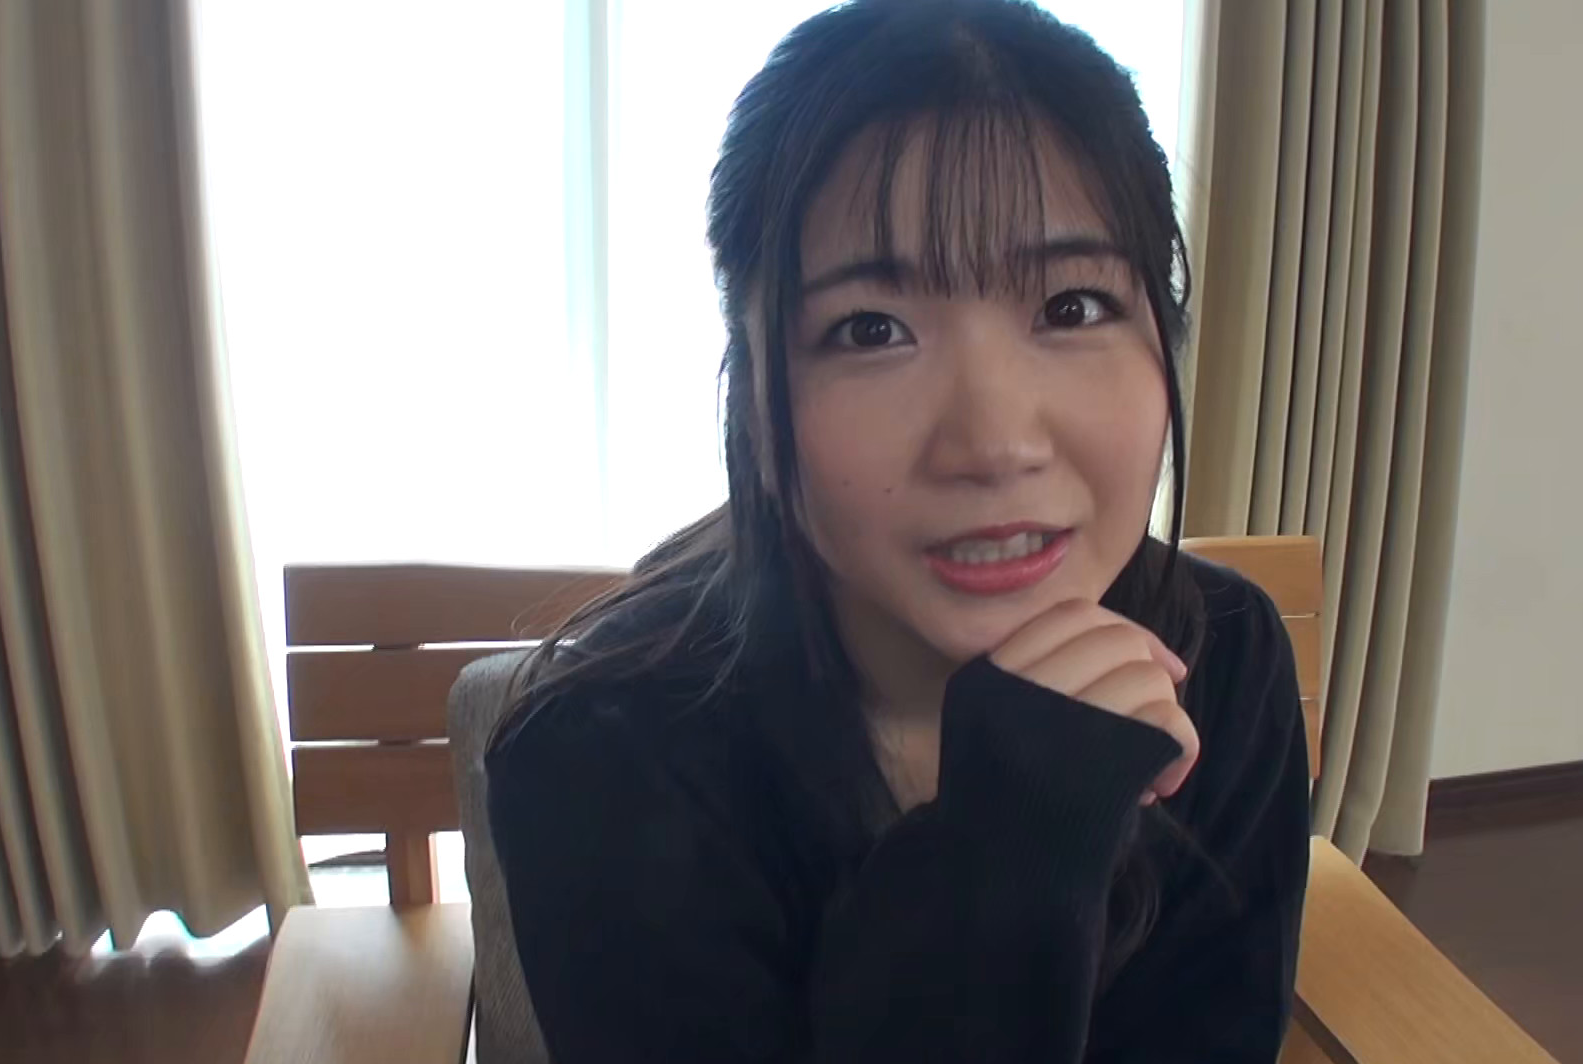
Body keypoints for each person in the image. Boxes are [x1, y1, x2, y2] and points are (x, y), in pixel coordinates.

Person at [485, 1, 1310, 1060]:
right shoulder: (600, 756)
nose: (994, 444)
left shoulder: (1224, 657)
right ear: (753, 400)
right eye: (871, 329)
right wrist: (1005, 853)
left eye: (1071, 307)